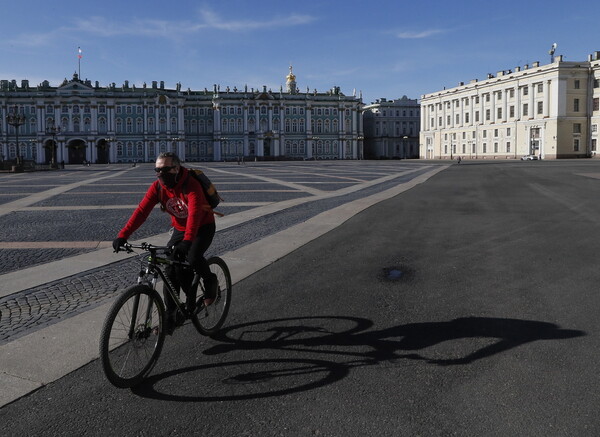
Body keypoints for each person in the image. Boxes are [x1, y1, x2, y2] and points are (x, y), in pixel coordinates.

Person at [112, 152, 217, 333]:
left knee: (192, 257)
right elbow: (142, 211)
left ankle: (210, 282)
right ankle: (171, 315)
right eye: (157, 170)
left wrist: (187, 242)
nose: (160, 174)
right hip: (180, 229)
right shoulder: (158, 187)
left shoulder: (190, 185)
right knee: (170, 270)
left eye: (164, 169)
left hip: (202, 227)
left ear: (176, 168)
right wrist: (123, 235)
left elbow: (194, 215)